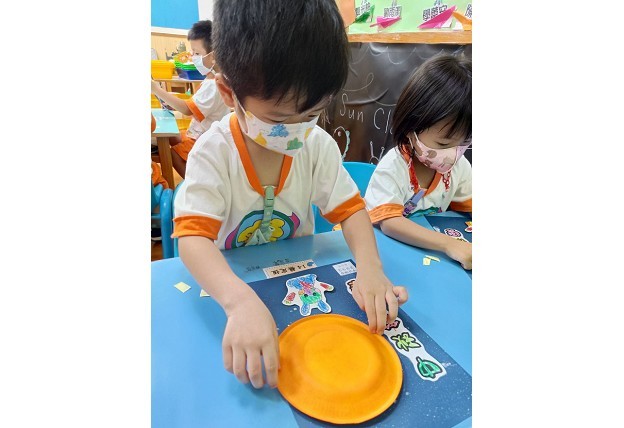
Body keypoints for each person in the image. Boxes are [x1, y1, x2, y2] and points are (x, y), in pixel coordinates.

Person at [172, 0, 408, 390]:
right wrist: (238, 301)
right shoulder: (213, 153)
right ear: (229, 93)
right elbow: (192, 238)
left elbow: (351, 211)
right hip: (233, 284)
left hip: (300, 283)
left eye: (312, 114)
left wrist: (369, 267)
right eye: (280, 119)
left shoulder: (317, 145)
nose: (297, 131)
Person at [364, 53, 472, 270]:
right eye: (443, 143)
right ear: (411, 127)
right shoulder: (394, 166)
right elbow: (390, 223)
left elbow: (468, 206)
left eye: (464, 143)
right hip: (384, 254)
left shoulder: (459, 167)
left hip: (428, 258)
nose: (453, 153)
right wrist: (449, 244)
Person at [151, 19, 230, 178]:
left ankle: (195, 181)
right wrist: (171, 100)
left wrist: (157, 90)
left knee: (172, 153)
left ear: (213, 56)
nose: (193, 57)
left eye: (197, 53)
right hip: (198, 132)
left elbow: (187, 109)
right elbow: (193, 105)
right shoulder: (211, 79)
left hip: (204, 139)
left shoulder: (213, 85)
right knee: (172, 136)